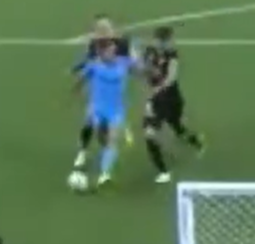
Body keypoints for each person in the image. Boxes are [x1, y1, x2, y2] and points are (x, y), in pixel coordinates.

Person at [140, 26, 206, 184]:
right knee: (149, 133)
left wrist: (155, 90)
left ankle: (195, 141)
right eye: (164, 41)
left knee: (177, 129)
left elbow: (171, 78)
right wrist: (147, 74)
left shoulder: (172, 55)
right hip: (156, 100)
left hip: (171, 100)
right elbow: (145, 73)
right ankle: (163, 171)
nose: (168, 44)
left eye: (168, 41)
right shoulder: (149, 53)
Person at [71, 37, 135, 187]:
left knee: (112, 141)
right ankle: (84, 152)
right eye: (110, 51)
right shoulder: (94, 66)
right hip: (97, 109)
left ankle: (105, 174)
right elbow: (81, 79)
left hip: (116, 110)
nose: (113, 53)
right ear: (101, 52)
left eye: (114, 50)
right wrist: (76, 91)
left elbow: (140, 68)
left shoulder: (123, 63)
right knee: (101, 139)